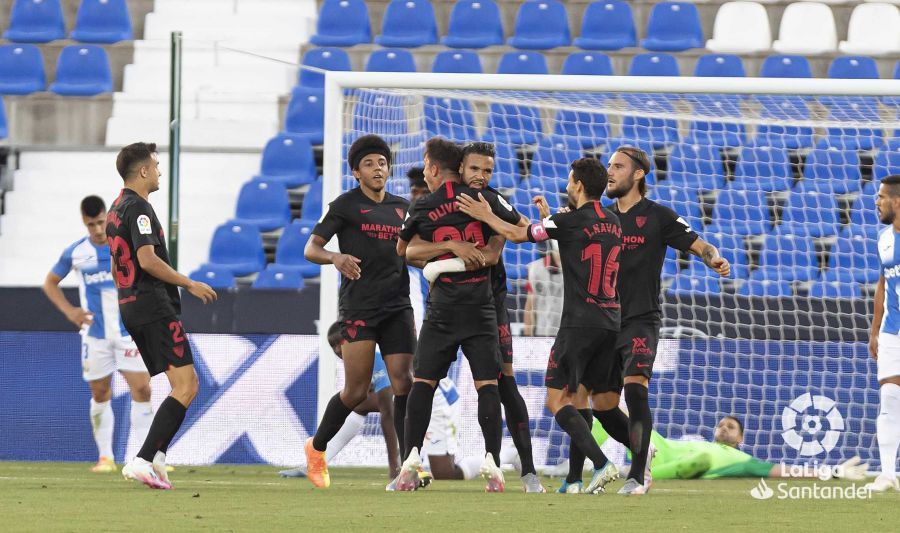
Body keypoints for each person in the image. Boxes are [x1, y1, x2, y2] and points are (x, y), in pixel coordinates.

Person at [561, 145, 730, 495]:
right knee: (604, 406)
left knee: (636, 389)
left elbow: (698, 243)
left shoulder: (658, 216)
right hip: (603, 322)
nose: (610, 172)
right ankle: (644, 449)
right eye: (609, 166)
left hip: (640, 319)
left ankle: (637, 475)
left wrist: (713, 258)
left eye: (619, 167)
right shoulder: (598, 217)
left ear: (638, 174)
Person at [456, 157, 624, 495]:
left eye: (569, 178)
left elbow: (520, 234)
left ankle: (602, 464)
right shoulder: (615, 221)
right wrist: (550, 218)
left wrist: (486, 216)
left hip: (579, 323)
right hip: (611, 322)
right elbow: (578, 238)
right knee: (579, 398)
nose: (566, 182)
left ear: (577, 184)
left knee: (555, 401)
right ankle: (575, 480)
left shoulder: (570, 220)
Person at [394, 138, 520, 493]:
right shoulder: (487, 200)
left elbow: (404, 251)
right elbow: (523, 227)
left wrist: (445, 248)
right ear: (461, 167)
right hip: (480, 308)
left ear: (433, 168)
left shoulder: (423, 205)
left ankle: (410, 462)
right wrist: (485, 243)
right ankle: (493, 466)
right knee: (487, 386)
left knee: (423, 385)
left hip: (442, 309)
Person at [303, 134, 415, 489]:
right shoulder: (345, 206)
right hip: (360, 309)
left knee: (404, 382)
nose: (377, 168)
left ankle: (409, 466)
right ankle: (316, 449)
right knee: (354, 391)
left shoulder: (402, 207)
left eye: (382, 163)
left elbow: (414, 248)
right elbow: (311, 248)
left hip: (398, 306)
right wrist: (336, 257)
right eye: (369, 164)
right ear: (356, 172)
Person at [110, 142, 218, 490]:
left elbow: (120, 263)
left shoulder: (116, 208)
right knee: (187, 385)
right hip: (152, 304)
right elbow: (147, 260)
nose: (158, 171)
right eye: (155, 165)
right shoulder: (139, 209)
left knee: (180, 385)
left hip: (131, 304)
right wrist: (188, 283)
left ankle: (156, 458)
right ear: (142, 171)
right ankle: (142, 459)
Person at [42, 195, 154, 473]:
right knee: (100, 391)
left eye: (101, 222)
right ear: (84, 222)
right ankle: (105, 457)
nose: (97, 229)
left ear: (108, 216)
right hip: (96, 336)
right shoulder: (77, 252)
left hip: (128, 332)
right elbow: (50, 283)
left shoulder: (125, 247)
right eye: (91, 224)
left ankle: (147, 457)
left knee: (142, 388)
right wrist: (70, 312)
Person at [455, 141, 543, 491]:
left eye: (487, 171)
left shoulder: (492, 200)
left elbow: (524, 231)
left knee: (505, 383)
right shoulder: (440, 201)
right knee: (421, 383)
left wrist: (490, 220)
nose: (480, 176)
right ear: (461, 168)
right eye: (475, 169)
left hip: (490, 305)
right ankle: (409, 463)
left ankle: (528, 470)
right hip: (446, 308)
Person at [279, 321, 401, 480]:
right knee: (358, 403)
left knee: (362, 404)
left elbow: (388, 407)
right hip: (410, 403)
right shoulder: (360, 357)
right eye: (333, 346)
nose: (337, 350)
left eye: (339, 343)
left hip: (420, 402)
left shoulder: (373, 355)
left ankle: (400, 467)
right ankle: (317, 463)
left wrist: (393, 468)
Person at [592, 416, 868, 480]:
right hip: (660, 448)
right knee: (617, 410)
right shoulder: (700, 443)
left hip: (680, 466)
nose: (723, 428)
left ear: (740, 439)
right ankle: (588, 459)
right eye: (721, 425)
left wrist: (831, 472)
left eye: (731, 427)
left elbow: (777, 470)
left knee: (699, 459)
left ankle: (636, 471)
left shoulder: (740, 458)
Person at [868, 174, 900, 492]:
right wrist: (874, 330)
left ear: (896, 200)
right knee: (890, 395)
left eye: (880, 197)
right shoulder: (883, 238)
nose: (876, 202)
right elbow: (883, 283)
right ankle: (888, 472)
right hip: (893, 331)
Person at [523, 241, 563, 337]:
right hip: (542, 334)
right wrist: (528, 337)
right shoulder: (534, 268)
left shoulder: (577, 268)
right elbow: (529, 306)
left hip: (567, 335)